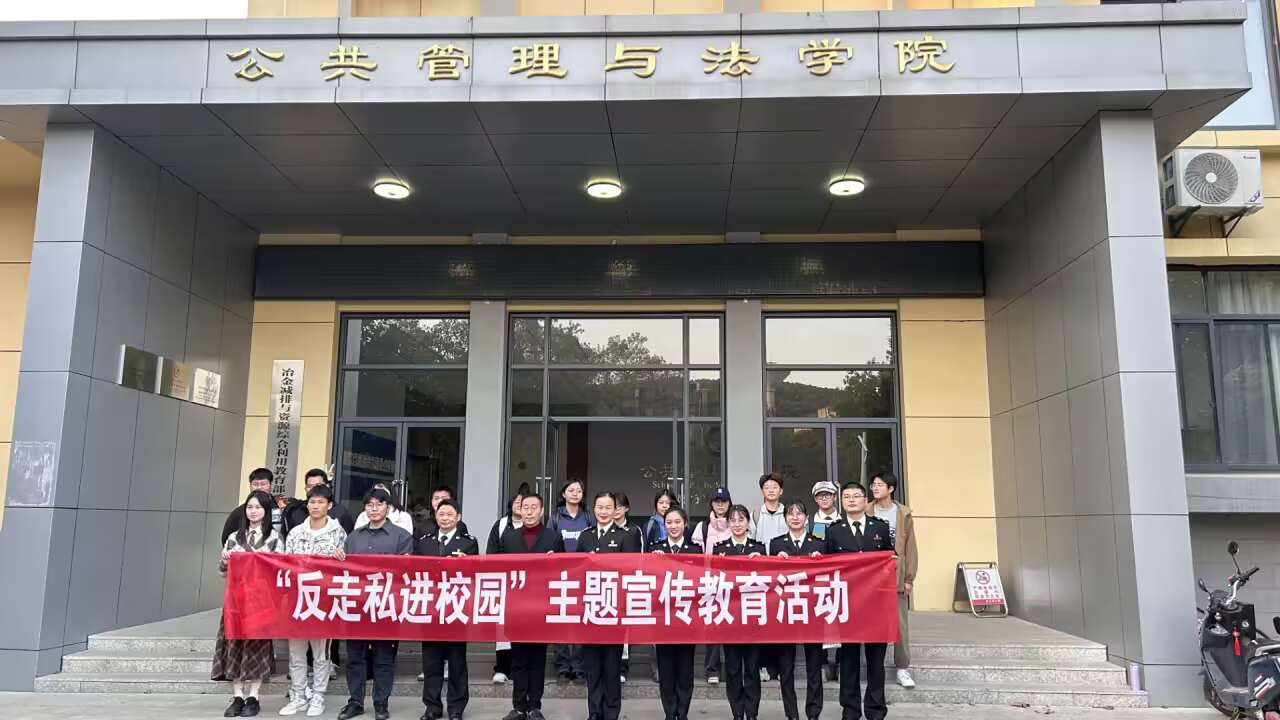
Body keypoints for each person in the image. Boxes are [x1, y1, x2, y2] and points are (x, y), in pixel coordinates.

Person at [339, 488, 414, 720]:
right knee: (355, 657)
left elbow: (405, 573)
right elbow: (344, 571)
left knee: (383, 658)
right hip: (357, 605)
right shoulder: (353, 537)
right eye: (369, 505)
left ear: (388, 508)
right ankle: (355, 702)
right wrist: (339, 559)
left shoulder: (402, 536)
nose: (374, 509)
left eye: (379, 504)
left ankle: (381, 703)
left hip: (386, 605)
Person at [824, 482, 894, 720]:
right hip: (848, 603)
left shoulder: (880, 527)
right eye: (847, 497)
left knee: (876, 661)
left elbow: (889, 558)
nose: (852, 500)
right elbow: (826, 566)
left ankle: (875, 710)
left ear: (865, 501)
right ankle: (850, 710)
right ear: (841, 502)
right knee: (849, 660)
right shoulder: (834, 531)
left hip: (876, 603)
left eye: (856, 496)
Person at [212, 490, 284, 718]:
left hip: (261, 601)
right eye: (250, 507)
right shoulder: (234, 537)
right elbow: (222, 572)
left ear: (266, 511)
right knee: (233, 646)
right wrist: (225, 562)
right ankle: (237, 696)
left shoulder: (274, 538)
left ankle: (253, 696)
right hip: (235, 600)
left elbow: (279, 570)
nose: (253, 512)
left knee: (257, 648)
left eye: (258, 507)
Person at [280, 484, 348, 717]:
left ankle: (318, 695)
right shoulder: (295, 532)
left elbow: (345, 568)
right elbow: (285, 565)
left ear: (329, 505)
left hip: (324, 601)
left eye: (320, 502)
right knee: (296, 652)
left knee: (321, 654)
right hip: (298, 600)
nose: (315, 506)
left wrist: (341, 559)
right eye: (312, 502)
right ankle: (299, 695)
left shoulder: (338, 532)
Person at [497, 494, 565, 720]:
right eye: (525, 507)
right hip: (516, 606)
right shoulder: (508, 538)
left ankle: (534, 706)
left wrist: (555, 561)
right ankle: (518, 706)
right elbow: (497, 568)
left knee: (537, 659)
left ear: (541, 511)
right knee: (518, 660)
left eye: (534, 507)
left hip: (541, 606)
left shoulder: (553, 537)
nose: (529, 511)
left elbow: (564, 570)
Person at [578, 492, 642, 720]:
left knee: (612, 666)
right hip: (590, 609)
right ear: (593, 509)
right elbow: (578, 572)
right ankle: (594, 711)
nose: (603, 512)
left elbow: (632, 571)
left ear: (615, 510)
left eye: (608, 507)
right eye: (599, 507)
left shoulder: (627, 536)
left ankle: (611, 712)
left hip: (615, 610)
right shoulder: (585, 536)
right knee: (592, 667)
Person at [416, 499, 479, 720]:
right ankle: (432, 707)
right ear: (436, 516)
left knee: (457, 661)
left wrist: (467, 562)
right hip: (430, 607)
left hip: (456, 608)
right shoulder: (424, 542)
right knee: (431, 661)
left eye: (449, 514)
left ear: (458, 517)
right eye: (441, 514)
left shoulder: (469, 543)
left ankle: (456, 708)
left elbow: (476, 574)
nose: (445, 518)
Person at [769, 501, 827, 720]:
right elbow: (770, 577)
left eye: (799, 513)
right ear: (785, 518)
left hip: (812, 611)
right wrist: (777, 561)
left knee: (814, 667)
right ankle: (791, 714)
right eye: (790, 514)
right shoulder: (776, 544)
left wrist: (819, 562)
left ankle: (813, 713)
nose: (795, 517)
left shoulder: (819, 544)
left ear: (806, 517)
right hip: (786, 612)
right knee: (786, 669)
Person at [714, 504, 766, 720]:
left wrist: (760, 562)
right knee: (733, 668)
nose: (737, 524)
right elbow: (713, 582)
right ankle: (737, 712)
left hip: (752, 616)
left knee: (752, 668)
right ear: (728, 523)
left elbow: (767, 581)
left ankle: (752, 713)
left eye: (741, 520)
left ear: (748, 523)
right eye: (733, 520)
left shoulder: (759, 548)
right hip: (730, 616)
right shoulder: (720, 549)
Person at [650, 507, 702, 720]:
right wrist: (654, 561)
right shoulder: (655, 549)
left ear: (685, 524)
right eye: (669, 522)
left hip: (687, 619)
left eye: (677, 522)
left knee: (685, 670)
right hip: (663, 620)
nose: (673, 526)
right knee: (666, 671)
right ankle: (669, 713)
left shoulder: (695, 551)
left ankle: (683, 713)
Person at [869, 471, 918, 689]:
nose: (875, 488)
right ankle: (871, 667)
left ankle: (902, 668)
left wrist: (909, 578)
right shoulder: (866, 510)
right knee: (868, 622)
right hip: (871, 576)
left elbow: (911, 547)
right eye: (873, 484)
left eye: (879, 484)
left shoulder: (903, 514)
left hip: (896, 575)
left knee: (900, 625)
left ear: (891, 488)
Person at [486, 485, 530, 685]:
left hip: (527, 584)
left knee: (524, 626)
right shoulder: (501, 524)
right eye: (517, 502)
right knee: (502, 628)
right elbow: (492, 552)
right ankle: (502, 667)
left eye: (525, 503)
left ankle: (520, 668)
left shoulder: (535, 527)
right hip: (505, 582)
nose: (520, 505)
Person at [547, 479, 589, 683]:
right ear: (563, 494)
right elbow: (549, 542)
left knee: (581, 620)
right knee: (562, 620)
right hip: (561, 576)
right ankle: (563, 666)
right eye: (571, 490)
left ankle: (580, 666)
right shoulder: (555, 518)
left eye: (578, 490)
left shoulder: (588, 517)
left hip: (583, 575)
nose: (575, 493)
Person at [691, 487, 734, 685]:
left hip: (734, 582)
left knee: (734, 626)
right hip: (711, 582)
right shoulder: (703, 527)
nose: (720, 505)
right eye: (717, 501)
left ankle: (733, 669)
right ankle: (712, 670)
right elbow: (696, 556)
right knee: (713, 626)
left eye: (724, 501)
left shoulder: (736, 522)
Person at [752, 472, 786, 682]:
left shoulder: (789, 513)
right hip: (762, 574)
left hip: (784, 575)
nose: (771, 490)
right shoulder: (756, 514)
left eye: (775, 487)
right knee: (763, 621)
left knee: (781, 621)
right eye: (767, 487)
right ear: (762, 491)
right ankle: (763, 666)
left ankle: (780, 666)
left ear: (781, 491)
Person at [283, 468, 356, 540]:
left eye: (318, 485)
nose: (314, 489)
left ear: (327, 486)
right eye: (310, 486)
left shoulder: (340, 513)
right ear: (305, 489)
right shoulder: (296, 511)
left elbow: (350, 541)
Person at [220, 468, 276, 545]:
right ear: (250, 486)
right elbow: (226, 539)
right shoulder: (239, 512)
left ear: (271, 485)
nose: (259, 487)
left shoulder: (279, 510)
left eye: (263, 484)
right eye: (255, 484)